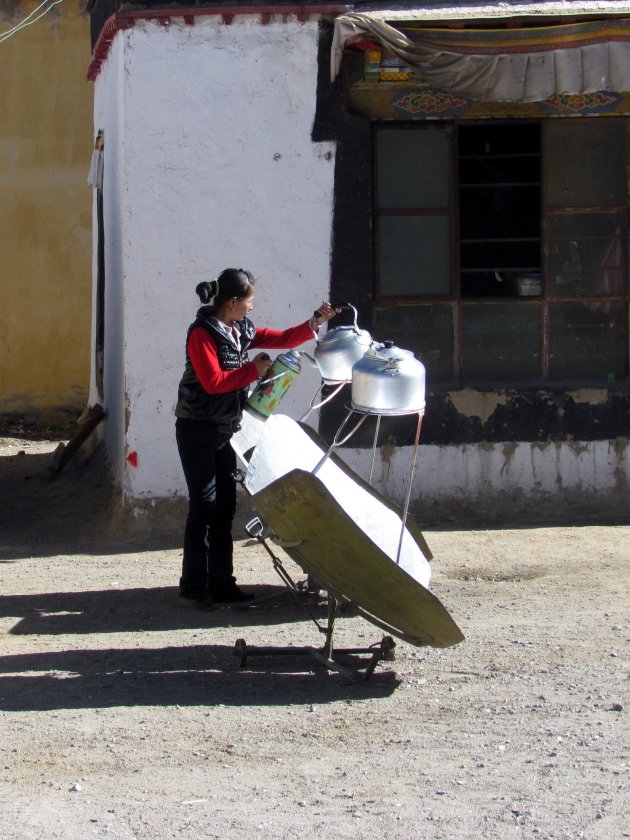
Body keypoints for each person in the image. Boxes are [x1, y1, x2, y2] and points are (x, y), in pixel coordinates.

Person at [175, 267, 339, 609]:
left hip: (222, 430)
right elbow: (213, 382)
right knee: (204, 505)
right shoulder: (202, 334)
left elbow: (283, 339)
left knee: (225, 506)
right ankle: (194, 586)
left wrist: (315, 321)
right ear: (233, 302)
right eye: (249, 302)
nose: (252, 308)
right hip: (198, 429)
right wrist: (254, 371)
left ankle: (221, 584)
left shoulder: (239, 329)